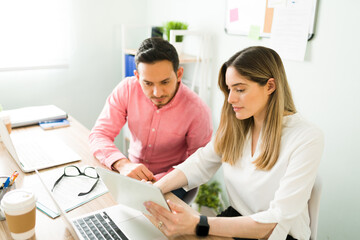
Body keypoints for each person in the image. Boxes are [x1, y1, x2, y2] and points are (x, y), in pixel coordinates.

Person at [144, 46, 324, 240]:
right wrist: (153, 190)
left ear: (270, 86)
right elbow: (200, 163)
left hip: (276, 234)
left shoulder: (306, 137)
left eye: (240, 89)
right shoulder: (237, 127)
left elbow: (275, 221)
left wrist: (199, 223)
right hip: (236, 219)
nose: (230, 99)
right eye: (229, 89)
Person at [89, 37, 213, 199]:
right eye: (148, 83)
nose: (157, 93)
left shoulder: (197, 110)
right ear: (137, 77)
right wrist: (123, 164)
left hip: (173, 183)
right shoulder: (126, 89)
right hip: (131, 174)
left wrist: (157, 182)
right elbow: (99, 134)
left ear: (179, 74)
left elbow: (198, 163)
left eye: (165, 82)